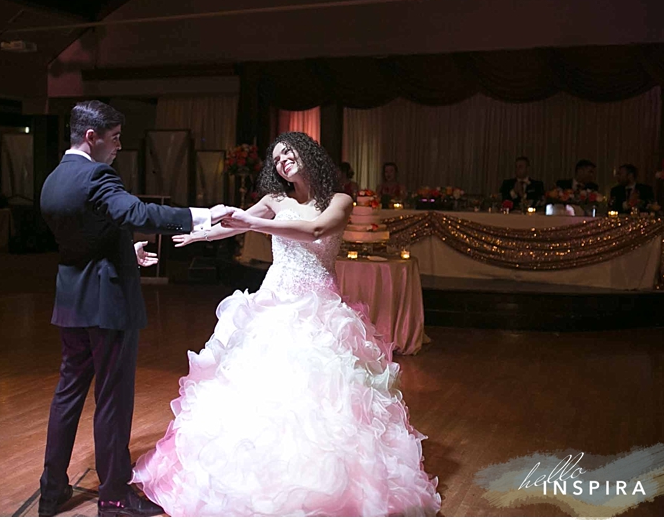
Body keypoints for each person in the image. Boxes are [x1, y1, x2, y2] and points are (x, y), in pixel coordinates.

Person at [130, 132, 441, 516]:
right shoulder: (274, 201)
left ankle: (322, 487)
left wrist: (253, 223)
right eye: (276, 159)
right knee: (258, 393)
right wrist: (202, 234)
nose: (281, 162)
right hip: (274, 302)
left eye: (287, 153)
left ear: (307, 154)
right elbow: (238, 225)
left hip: (320, 308)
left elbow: (315, 231)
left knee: (326, 399)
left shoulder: (340, 201)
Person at [37, 100, 235, 517]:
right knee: (112, 401)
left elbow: (84, 237)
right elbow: (136, 211)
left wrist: (126, 250)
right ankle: (112, 496)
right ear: (91, 138)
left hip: (71, 303)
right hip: (107, 304)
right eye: (114, 138)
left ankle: (52, 490)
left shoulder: (53, 179)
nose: (119, 147)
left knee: (66, 398)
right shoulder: (96, 175)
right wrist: (204, 215)